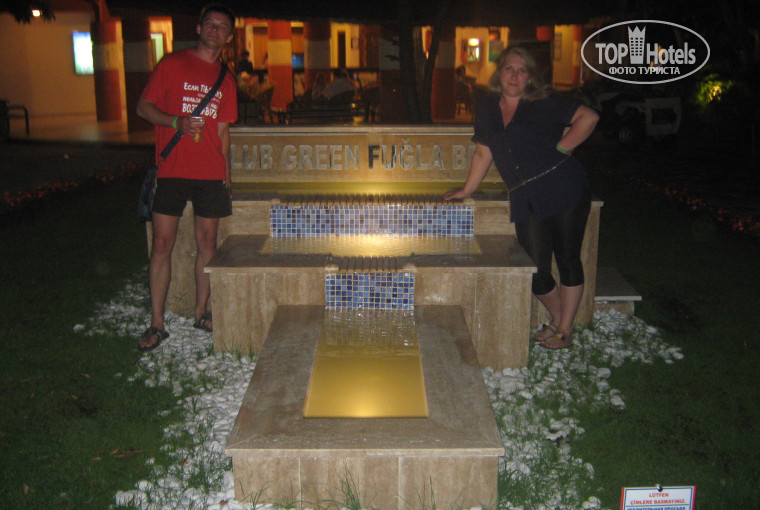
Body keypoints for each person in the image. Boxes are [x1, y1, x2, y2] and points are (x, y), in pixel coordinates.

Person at [444, 46, 599, 349]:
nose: (514, 76)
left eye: (522, 70)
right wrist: (467, 190)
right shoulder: (487, 106)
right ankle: (561, 321)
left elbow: (588, 117)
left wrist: (561, 149)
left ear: (530, 77)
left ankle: (564, 331)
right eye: (509, 69)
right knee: (536, 272)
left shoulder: (544, 102)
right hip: (525, 195)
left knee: (567, 258)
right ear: (499, 73)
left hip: (563, 186)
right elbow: (483, 151)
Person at [135, 3, 238, 351]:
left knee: (207, 243)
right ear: (198, 28)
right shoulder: (172, 64)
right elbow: (143, 107)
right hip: (172, 169)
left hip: (209, 172)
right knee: (162, 244)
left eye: (222, 27)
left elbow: (223, 132)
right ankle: (157, 323)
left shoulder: (227, 79)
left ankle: (200, 312)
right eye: (209, 23)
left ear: (229, 36)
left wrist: (226, 176)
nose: (214, 29)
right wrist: (174, 121)